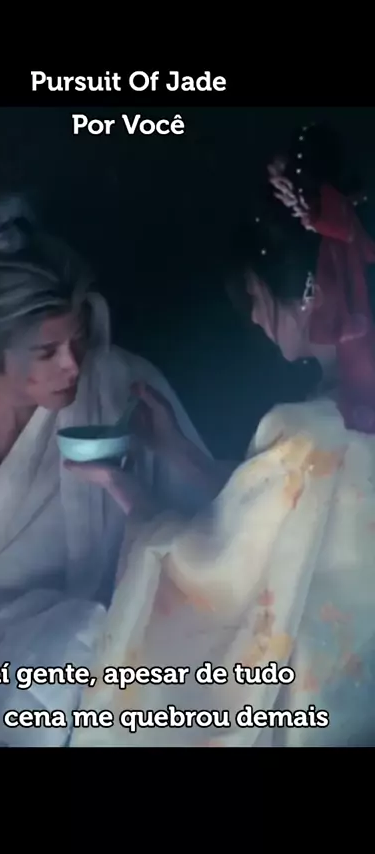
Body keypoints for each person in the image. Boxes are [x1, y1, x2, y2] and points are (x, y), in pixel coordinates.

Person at [67, 140, 375, 746]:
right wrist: (176, 449)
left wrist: (128, 494)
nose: (255, 321)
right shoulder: (331, 424)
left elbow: (213, 566)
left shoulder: (307, 431)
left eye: (255, 300)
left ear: (305, 295)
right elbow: (282, 514)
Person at [0, 195, 209, 747]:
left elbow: (206, 520)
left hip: (55, 633)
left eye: (77, 337)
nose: (73, 364)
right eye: (46, 352)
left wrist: (166, 461)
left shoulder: (120, 388)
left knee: (80, 647)